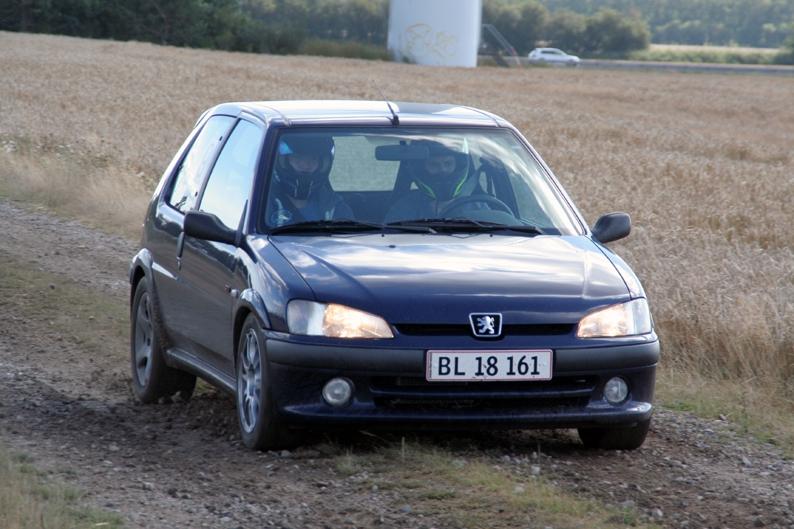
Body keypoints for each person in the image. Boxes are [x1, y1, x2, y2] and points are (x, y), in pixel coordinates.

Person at [384, 139, 483, 223]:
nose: (443, 170)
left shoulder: (478, 206)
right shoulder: (404, 208)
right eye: (434, 165)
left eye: (448, 163)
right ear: (423, 170)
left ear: (457, 165)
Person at [268, 135, 352, 227]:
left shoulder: (335, 206)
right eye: (298, 157)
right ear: (284, 161)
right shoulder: (263, 206)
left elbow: (349, 238)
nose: (305, 165)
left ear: (322, 164)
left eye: (313, 158)